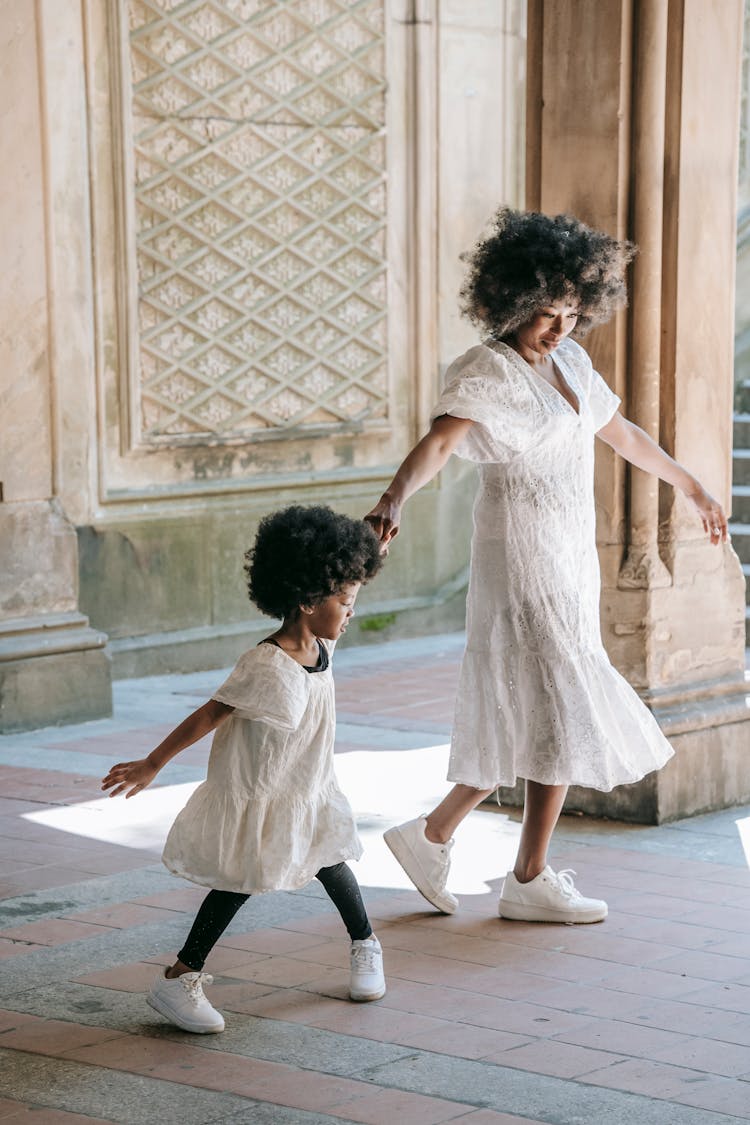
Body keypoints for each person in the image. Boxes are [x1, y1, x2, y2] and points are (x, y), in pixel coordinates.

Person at [366, 207, 728, 925]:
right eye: (546, 312)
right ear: (509, 300)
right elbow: (441, 441)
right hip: (520, 550)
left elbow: (618, 431)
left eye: (570, 311)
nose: (560, 327)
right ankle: (497, 861)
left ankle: (458, 844)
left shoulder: (571, 362)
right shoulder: (487, 369)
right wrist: (394, 495)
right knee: (557, 699)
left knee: (544, 703)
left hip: (570, 555)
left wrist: (690, 483)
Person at [101, 505, 386, 1033]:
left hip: (309, 785)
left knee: (332, 857)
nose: (351, 612)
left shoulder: (321, 642)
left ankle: (365, 944)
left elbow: (349, 579)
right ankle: (177, 979)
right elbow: (210, 713)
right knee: (239, 879)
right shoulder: (266, 662)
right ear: (306, 599)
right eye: (345, 602)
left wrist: (372, 546)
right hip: (263, 789)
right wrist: (152, 764)